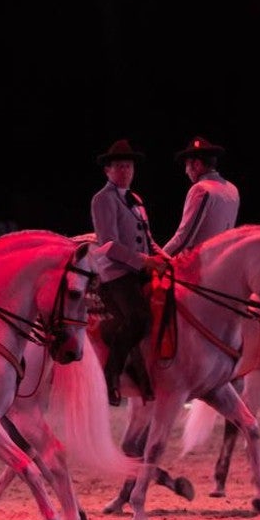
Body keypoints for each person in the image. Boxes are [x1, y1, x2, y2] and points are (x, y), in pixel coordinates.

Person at [90, 139, 166, 405]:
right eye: (119, 166)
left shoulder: (136, 199)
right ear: (108, 171)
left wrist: (164, 256)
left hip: (139, 271)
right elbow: (109, 244)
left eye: (129, 166)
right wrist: (145, 261)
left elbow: (148, 238)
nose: (125, 171)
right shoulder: (103, 199)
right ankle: (111, 373)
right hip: (115, 276)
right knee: (139, 318)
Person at [161, 136, 240, 256]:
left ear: (197, 164)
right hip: (223, 262)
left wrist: (159, 258)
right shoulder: (233, 188)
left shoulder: (201, 189)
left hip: (200, 266)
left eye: (187, 165)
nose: (186, 171)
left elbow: (184, 238)